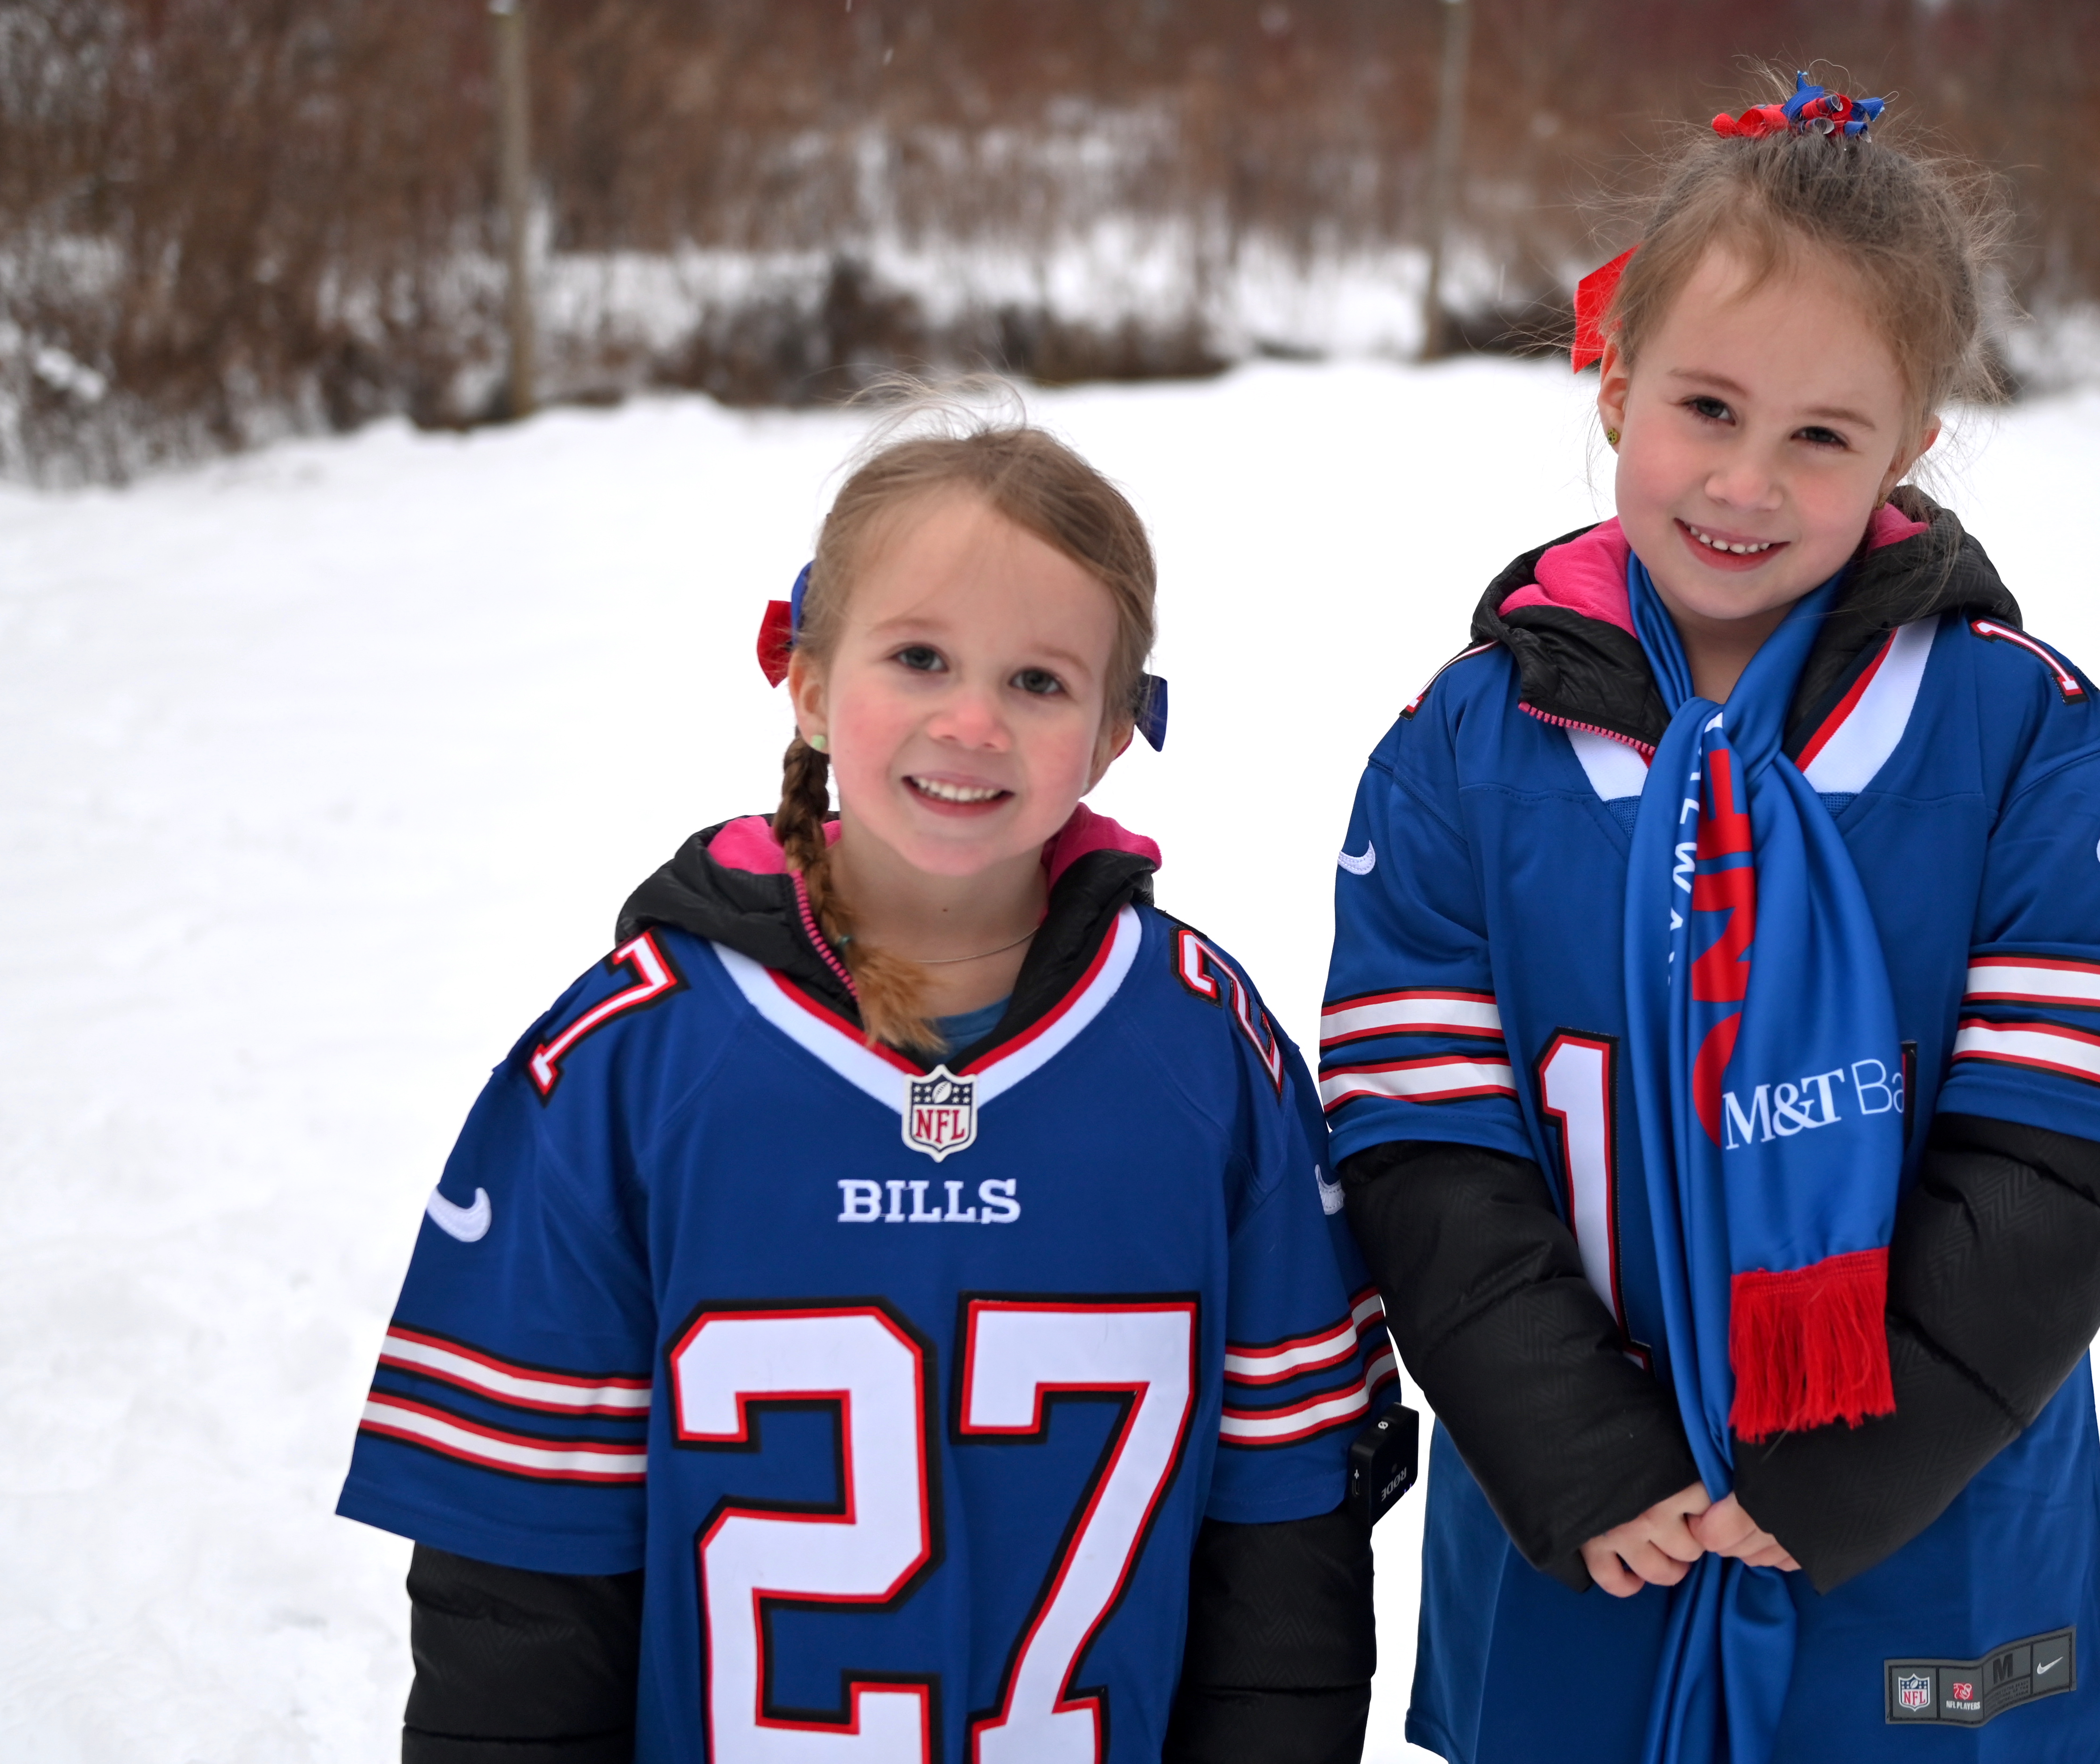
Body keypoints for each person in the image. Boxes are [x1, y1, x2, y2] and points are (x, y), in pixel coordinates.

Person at [1322, 73, 2100, 1764]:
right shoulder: (1461, 746)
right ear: (1615, 380)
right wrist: (1580, 1448)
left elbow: (2062, 1146)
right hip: (1586, 1514)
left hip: (1915, 1504)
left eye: (1819, 434)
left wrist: (1845, 1465)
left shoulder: (2018, 734)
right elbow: (1418, 1140)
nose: (1744, 480)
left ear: (1909, 447)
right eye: (1704, 408)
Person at [337, 408, 1396, 1764]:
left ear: (1119, 729)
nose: (972, 721)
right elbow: (519, 1577)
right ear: (810, 679)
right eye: (918, 657)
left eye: (1038, 681)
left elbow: (1282, 1548)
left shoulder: (1200, 1053)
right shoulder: (628, 1062)